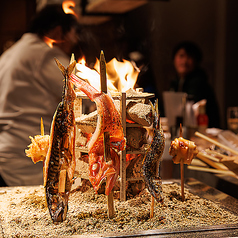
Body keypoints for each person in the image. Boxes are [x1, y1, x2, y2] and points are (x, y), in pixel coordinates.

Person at [0, 4, 80, 186]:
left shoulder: (10, 53)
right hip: (27, 158)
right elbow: (80, 91)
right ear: (59, 32)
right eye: (71, 36)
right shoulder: (44, 54)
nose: (72, 42)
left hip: (6, 151)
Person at [169, 41, 220, 128]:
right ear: (174, 59)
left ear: (196, 61)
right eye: (181, 56)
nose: (184, 61)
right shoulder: (175, 82)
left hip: (204, 131)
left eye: (189, 57)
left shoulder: (199, 83)